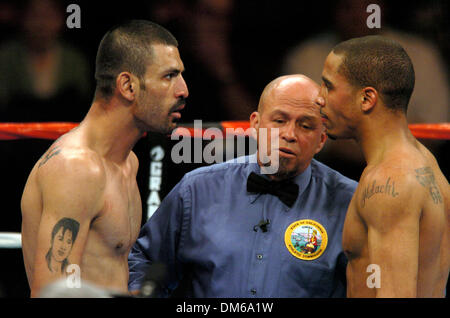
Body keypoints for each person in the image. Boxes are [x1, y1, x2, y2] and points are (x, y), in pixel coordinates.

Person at [128, 74, 358, 297]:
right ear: (255, 124)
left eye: (306, 126)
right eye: (279, 121)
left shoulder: (350, 203)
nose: (289, 134)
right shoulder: (197, 190)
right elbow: (145, 261)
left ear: (321, 140)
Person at [20, 19, 189, 297]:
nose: (183, 89)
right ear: (128, 85)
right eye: (169, 76)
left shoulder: (127, 162)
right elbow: (55, 294)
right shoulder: (76, 169)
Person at [315, 35, 449, 297]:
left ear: (367, 99)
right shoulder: (424, 162)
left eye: (328, 86)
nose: (319, 98)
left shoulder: (389, 181)